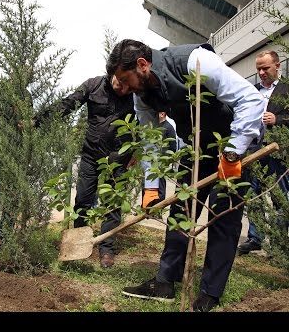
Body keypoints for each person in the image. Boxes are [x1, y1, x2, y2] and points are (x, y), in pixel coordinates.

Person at [106, 39, 265, 311]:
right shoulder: (141, 95)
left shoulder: (194, 61)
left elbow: (250, 99)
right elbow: (151, 142)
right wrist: (152, 188)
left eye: (125, 78)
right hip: (195, 148)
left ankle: (209, 293)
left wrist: (232, 153)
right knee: (181, 209)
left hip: (232, 143)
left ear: (142, 65)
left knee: (223, 215)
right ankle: (165, 281)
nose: (125, 86)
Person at [36, 74, 137, 268]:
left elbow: (142, 119)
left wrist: (137, 150)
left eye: (127, 85)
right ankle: (77, 245)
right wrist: (39, 119)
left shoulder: (134, 93)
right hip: (91, 156)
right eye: (120, 82)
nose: (124, 88)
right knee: (82, 199)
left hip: (118, 158)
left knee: (113, 204)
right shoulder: (93, 85)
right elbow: (68, 104)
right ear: (112, 72)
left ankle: (107, 249)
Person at [237, 50, 289, 255]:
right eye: (258, 68)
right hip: (253, 150)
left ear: (277, 66)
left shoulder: (287, 90)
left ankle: (277, 242)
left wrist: (279, 120)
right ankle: (254, 238)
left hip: (277, 152)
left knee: (278, 196)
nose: (261, 72)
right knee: (253, 194)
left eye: (265, 68)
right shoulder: (252, 90)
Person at [157, 111, 177, 200]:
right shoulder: (155, 126)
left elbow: (173, 146)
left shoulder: (168, 127)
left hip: (162, 160)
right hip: (153, 160)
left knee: (160, 183)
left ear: (162, 114)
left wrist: (167, 160)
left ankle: (159, 207)